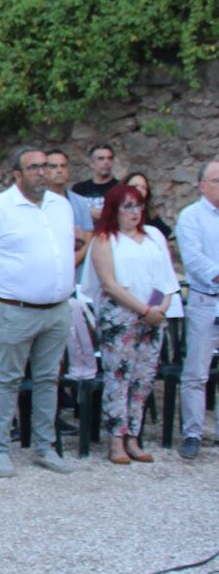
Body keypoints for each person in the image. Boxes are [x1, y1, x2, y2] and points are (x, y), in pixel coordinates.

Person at [0, 147, 78, 479]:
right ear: (17, 174)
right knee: (8, 379)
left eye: (45, 166)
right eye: (34, 167)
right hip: (16, 309)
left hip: (57, 309)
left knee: (48, 379)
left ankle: (45, 446)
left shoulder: (61, 206)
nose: (42, 172)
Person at [85, 184, 178, 465]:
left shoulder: (153, 236)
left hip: (153, 315)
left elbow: (167, 278)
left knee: (144, 377)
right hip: (121, 316)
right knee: (118, 377)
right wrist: (143, 309)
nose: (135, 212)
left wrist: (160, 307)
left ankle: (134, 437)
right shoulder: (105, 239)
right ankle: (116, 439)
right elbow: (110, 284)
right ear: (115, 210)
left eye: (138, 206)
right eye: (127, 207)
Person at [176, 160, 219, 460]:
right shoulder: (191, 216)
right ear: (202, 185)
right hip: (207, 298)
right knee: (196, 372)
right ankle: (193, 431)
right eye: (216, 180)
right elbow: (193, 260)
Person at [45, 149, 92, 261]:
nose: (59, 170)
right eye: (53, 166)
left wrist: (73, 262)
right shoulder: (36, 201)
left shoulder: (80, 202)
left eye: (63, 166)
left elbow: (88, 237)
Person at [70, 143, 119, 227]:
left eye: (109, 158)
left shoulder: (120, 187)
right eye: (101, 159)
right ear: (91, 163)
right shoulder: (79, 189)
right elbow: (72, 214)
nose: (106, 162)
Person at [124, 172, 175, 242]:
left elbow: (168, 237)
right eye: (134, 186)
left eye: (143, 187)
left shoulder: (151, 218)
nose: (139, 189)